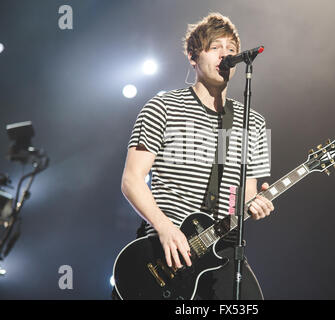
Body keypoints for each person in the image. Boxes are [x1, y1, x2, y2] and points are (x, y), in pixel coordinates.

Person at [116, 12, 274, 300]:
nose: (225, 55)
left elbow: (245, 194)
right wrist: (164, 227)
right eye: (215, 47)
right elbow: (132, 180)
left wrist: (255, 204)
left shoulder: (255, 123)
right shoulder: (162, 107)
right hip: (166, 248)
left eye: (231, 49)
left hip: (222, 250)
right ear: (193, 56)